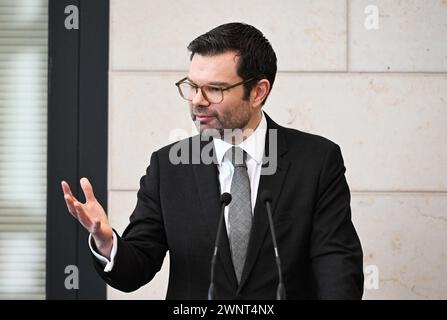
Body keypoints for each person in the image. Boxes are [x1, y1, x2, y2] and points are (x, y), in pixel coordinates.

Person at [61, 22, 363, 299]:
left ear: (258, 92)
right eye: (192, 86)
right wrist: (105, 242)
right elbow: (136, 269)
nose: (197, 101)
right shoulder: (168, 167)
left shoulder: (317, 160)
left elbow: (336, 265)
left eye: (215, 89)